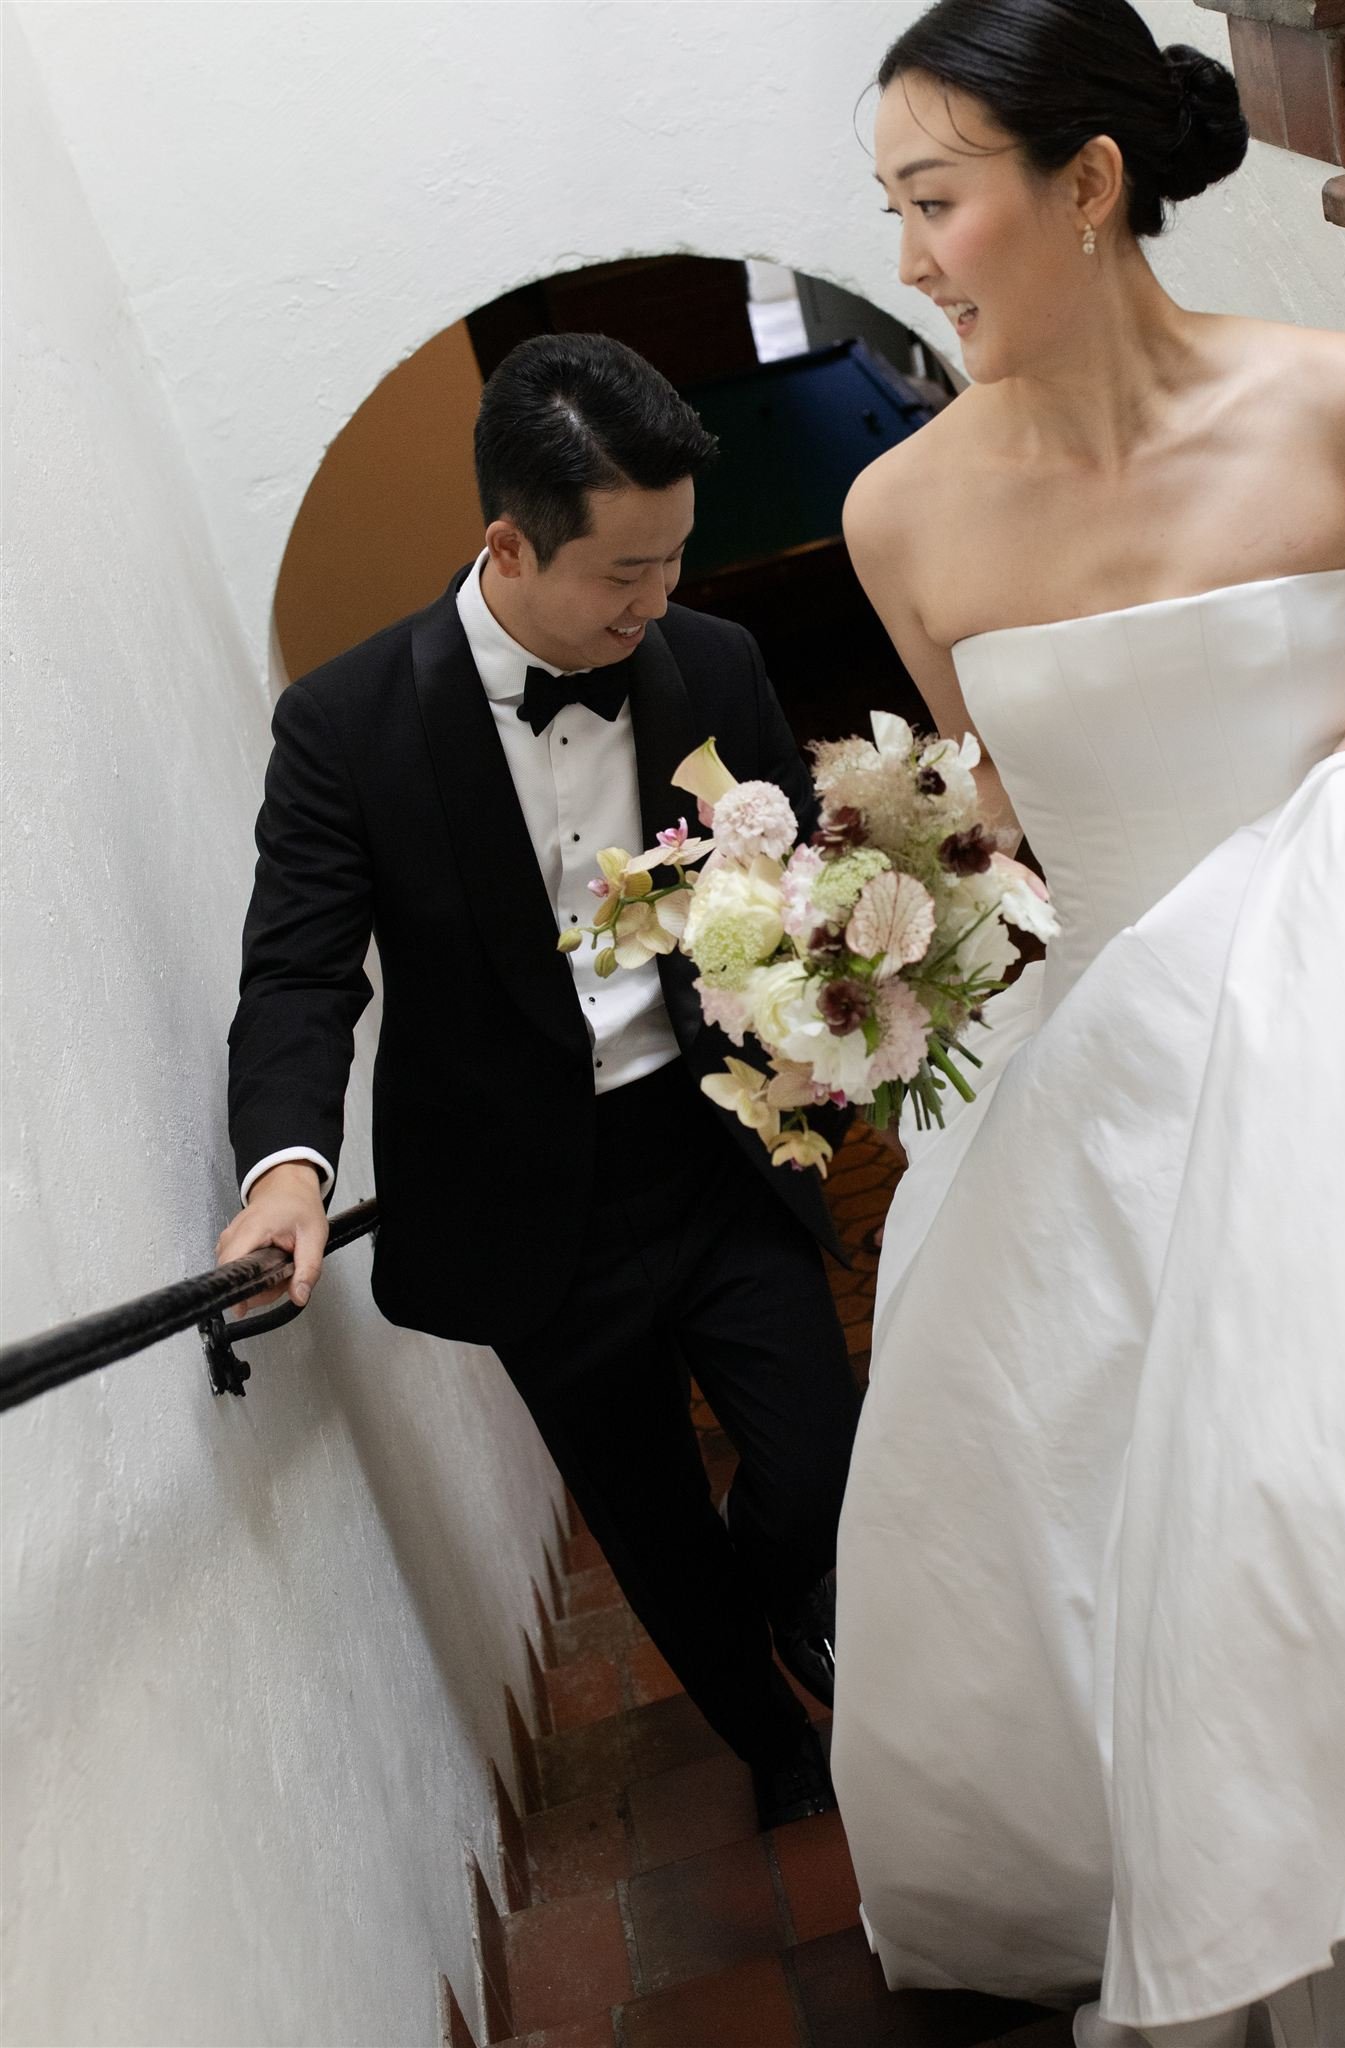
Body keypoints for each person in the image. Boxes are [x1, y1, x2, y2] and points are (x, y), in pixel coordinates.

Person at [827, 3, 1345, 2042]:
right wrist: (875, 918)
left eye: (937, 202)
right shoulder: (897, 517)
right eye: (895, 213)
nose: (912, 259)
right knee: (1163, 1541)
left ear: (1084, 185)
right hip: (1109, 1069)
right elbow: (990, 789)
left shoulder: (1336, 397)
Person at [217, 333, 859, 1827]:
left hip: (712, 1147)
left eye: (674, 562)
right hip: (527, 1215)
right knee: (645, 1521)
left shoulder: (713, 662)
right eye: (622, 575)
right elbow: (302, 972)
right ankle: (777, 1750)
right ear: (505, 543)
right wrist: (288, 1170)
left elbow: (791, 875)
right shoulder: (346, 727)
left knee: (817, 1455)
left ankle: (793, 1594)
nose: (658, 602)